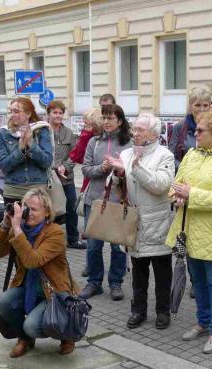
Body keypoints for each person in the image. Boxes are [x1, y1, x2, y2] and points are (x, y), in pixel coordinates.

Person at [167, 111, 212, 354]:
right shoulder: (191, 154)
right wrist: (176, 196)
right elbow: (176, 184)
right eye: (195, 130)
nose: (194, 134)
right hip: (188, 227)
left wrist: (191, 195)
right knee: (197, 281)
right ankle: (203, 322)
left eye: (200, 131)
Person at [0, 188, 78, 357]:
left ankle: (67, 334)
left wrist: (17, 229)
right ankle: (25, 339)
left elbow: (33, 261)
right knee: (4, 301)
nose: (28, 213)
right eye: (26, 208)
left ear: (47, 213)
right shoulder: (20, 229)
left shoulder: (55, 233)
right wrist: (6, 224)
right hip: (28, 287)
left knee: (32, 325)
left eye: (34, 210)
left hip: (53, 291)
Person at [106, 113, 175, 330]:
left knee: (162, 271)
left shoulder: (165, 155)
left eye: (140, 130)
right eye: (134, 129)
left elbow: (161, 186)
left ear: (154, 133)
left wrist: (135, 168)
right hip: (133, 221)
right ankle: (138, 310)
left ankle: (163, 311)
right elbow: (114, 183)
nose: (135, 133)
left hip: (157, 222)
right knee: (138, 271)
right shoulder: (126, 152)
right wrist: (117, 174)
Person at [81, 104, 133, 301]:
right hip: (94, 201)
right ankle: (94, 283)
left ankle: (116, 282)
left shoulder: (129, 144)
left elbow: (133, 173)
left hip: (118, 202)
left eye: (111, 118)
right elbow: (85, 169)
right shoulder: (94, 142)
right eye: (104, 118)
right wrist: (101, 168)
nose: (107, 122)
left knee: (117, 247)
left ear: (119, 121)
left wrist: (120, 170)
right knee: (93, 246)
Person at [0, 97, 53, 204]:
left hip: (37, 188)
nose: (12, 115)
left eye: (16, 111)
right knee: (14, 220)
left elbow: (47, 162)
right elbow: (3, 166)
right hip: (13, 188)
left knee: (36, 220)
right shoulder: (4, 133)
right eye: (11, 111)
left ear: (28, 114)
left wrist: (31, 145)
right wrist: (20, 150)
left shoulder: (41, 129)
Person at [69, 108, 103, 278]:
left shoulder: (106, 138)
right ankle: (91, 267)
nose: (86, 125)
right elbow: (77, 156)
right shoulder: (87, 137)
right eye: (84, 122)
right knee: (91, 235)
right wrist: (84, 135)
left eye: (88, 122)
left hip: (107, 189)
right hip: (90, 186)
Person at [47, 100, 84, 249]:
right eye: (54, 112)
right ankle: (48, 239)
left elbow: (74, 154)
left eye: (60, 113)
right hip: (48, 177)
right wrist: (56, 167)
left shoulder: (68, 133)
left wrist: (65, 167)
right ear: (48, 114)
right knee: (48, 208)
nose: (58, 115)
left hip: (66, 177)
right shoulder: (42, 130)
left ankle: (73, 239)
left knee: (71, 206)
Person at [169, 87, 212, 169]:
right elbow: (171, 157)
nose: (202, 109)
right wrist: (186, 170)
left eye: (205, 105)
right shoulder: (179, 127)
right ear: (190, 106)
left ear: (210, 106)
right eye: (198, 105)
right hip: (185, 178)